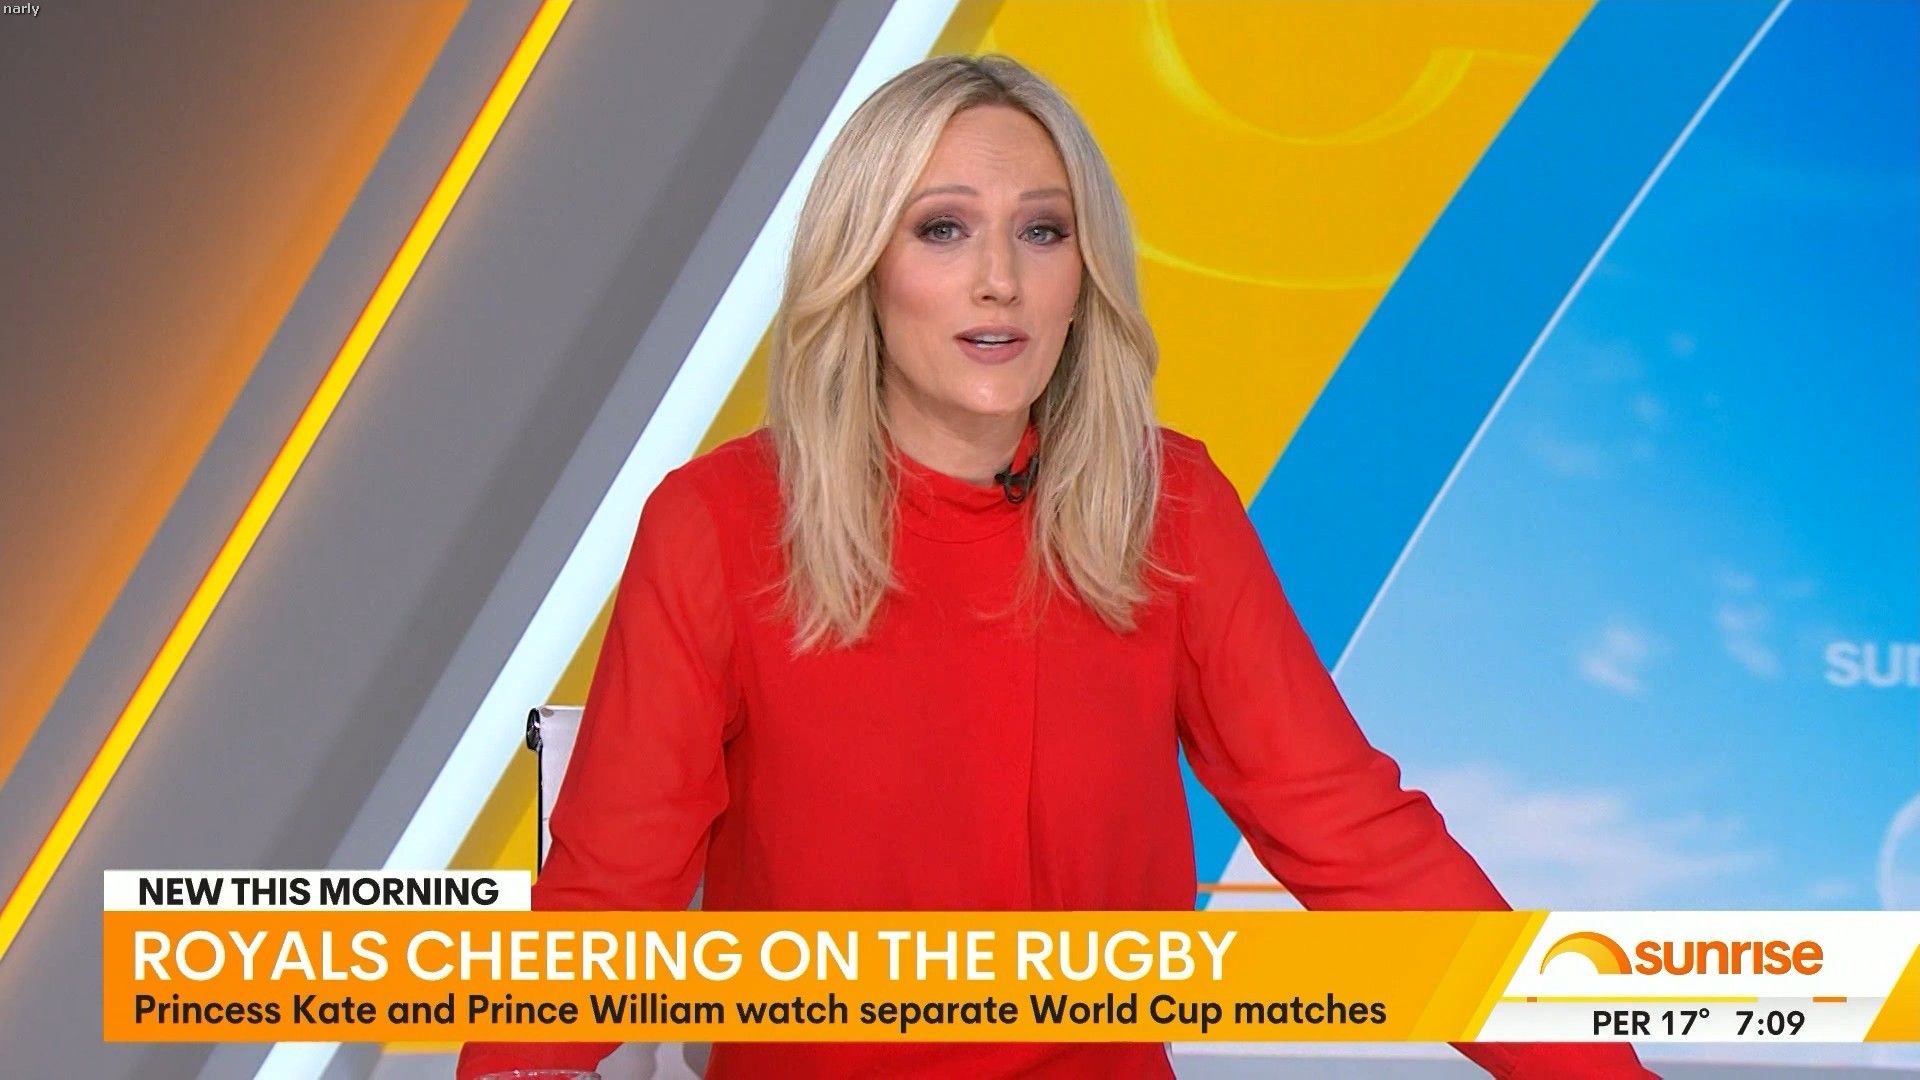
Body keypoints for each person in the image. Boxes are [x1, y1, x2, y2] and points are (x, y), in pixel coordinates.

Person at [459, 54, 1657, 1079]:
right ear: (862, 268)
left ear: (1084, 278)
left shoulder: (1169, 505)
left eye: (1042, 231)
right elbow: (605, 906)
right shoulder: (718, 522)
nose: (1002, 279)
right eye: (943, 229)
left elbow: (1356, 838)